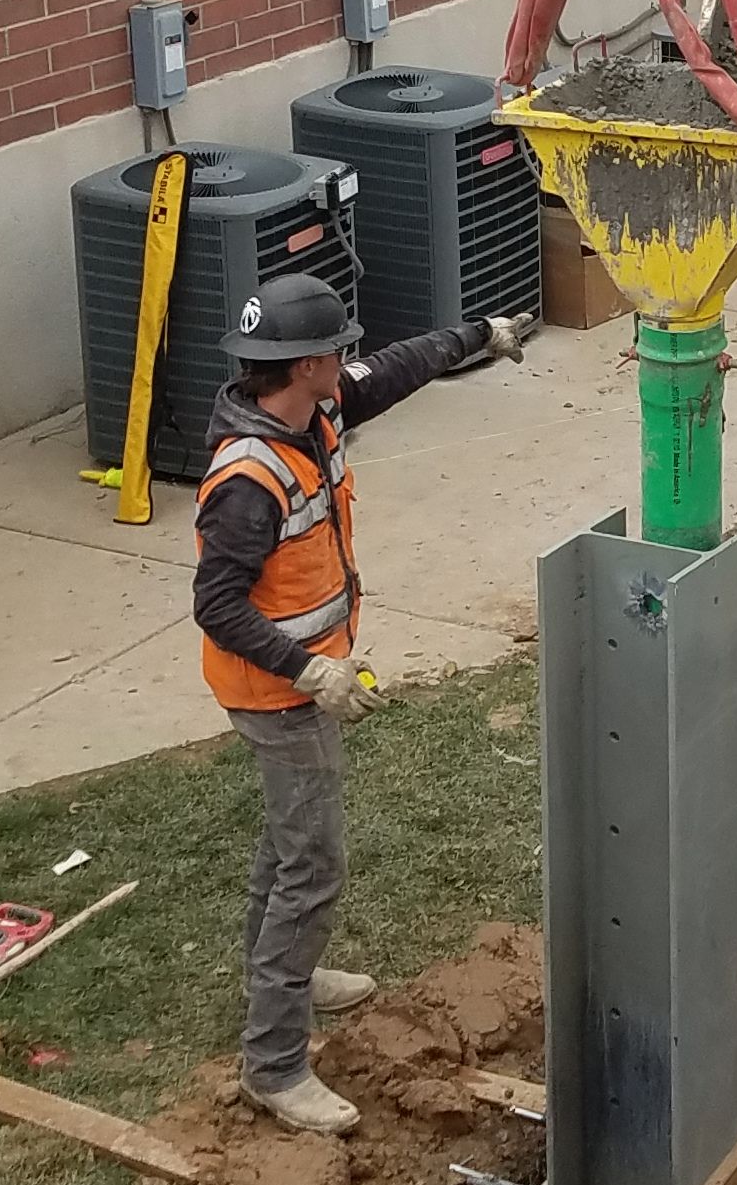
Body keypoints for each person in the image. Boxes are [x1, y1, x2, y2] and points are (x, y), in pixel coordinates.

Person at [193, 273, 534, 1131]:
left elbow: (399, 365)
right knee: (311, 865)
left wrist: (480, 333)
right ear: (306, 363)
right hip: (275, 693)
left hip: (293, 681)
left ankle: (290, 983)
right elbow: (217, 604)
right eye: (336, 351)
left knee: (286, 844)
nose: (348, 361)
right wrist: (308, 670)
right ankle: (273, 1063)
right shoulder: (249, 478)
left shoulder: (312, 408)